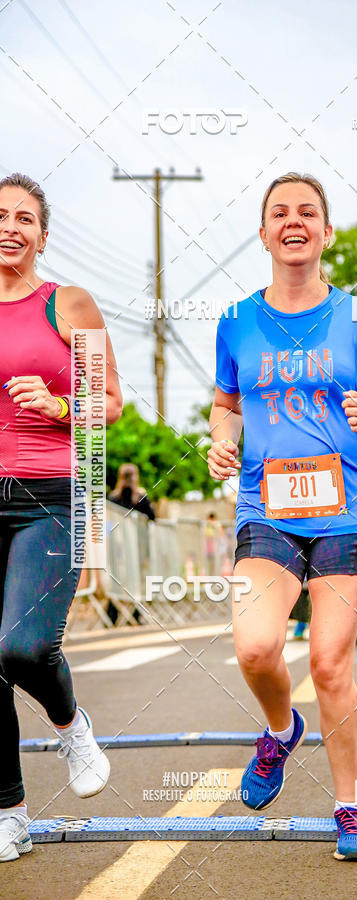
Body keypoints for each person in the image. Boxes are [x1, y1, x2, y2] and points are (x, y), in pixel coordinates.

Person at [208, 172, 357, 861]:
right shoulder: (236, 321)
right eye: (279, 212)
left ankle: (350, 809)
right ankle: (280, 730)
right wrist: (220, 439)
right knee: (255, 647)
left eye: (307, 213)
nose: (293, 221)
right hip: (266, 504)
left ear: (326, 233)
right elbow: (226, 402)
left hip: (344, 508)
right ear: (264, 232)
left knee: (330, 662)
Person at [0, 174, 123, 863]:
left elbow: (111, 403)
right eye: (0, 215)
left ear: (43, 235)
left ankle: (71, 725)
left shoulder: (67, 303)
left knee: (20, 646)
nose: (10, 226)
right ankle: (9, 812)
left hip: (50, 491)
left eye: (25, 218)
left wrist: (60, 406)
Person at [107, 463, 155, 624]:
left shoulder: (113, 497)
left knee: (116, 578)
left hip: (117, 545)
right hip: (137, 545)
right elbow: (152, 517)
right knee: (136, 578)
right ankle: (134, 615)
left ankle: (111, 616)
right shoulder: (140, 496)